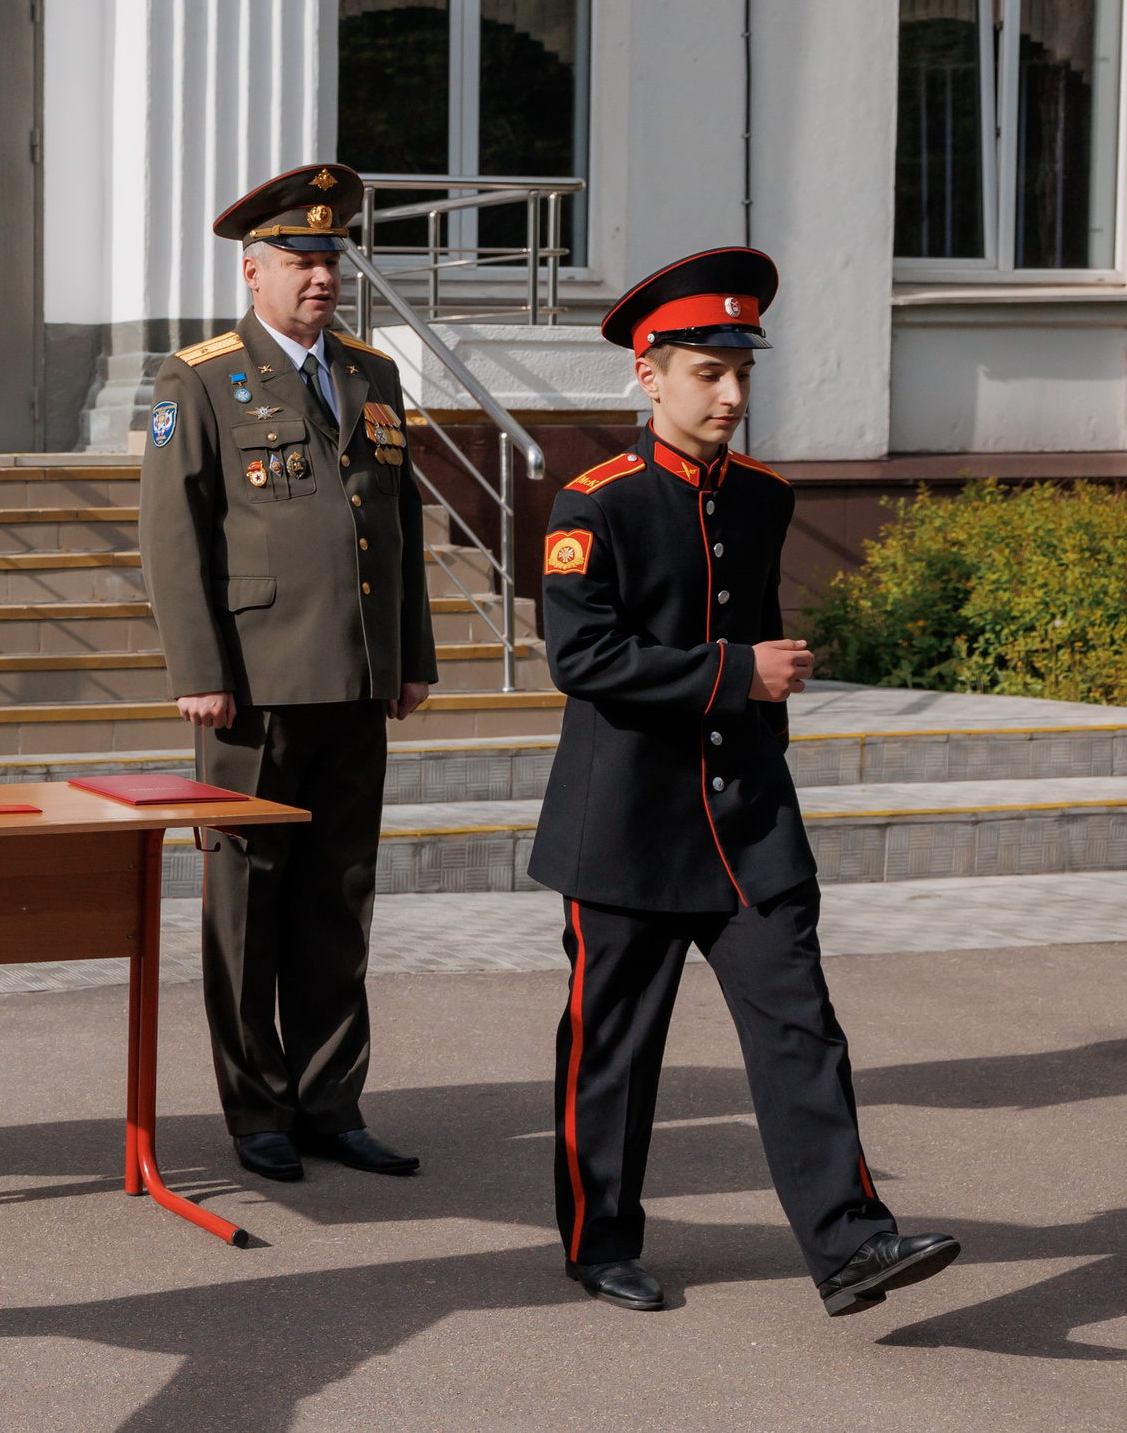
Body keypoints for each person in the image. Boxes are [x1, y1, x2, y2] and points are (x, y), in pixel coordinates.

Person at [534, 247, 959, 1317]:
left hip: (746, 823)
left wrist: (759, 683)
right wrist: (739, 672)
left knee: (799, 1027)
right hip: (625, 822)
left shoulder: (764, 495)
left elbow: (748, 621)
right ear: (649, 375)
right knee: (614, 1050)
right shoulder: (594, 505)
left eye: (741, 373)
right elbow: (583, 661)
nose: (731, 396)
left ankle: (852, 1245)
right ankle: (600, 1240)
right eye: (706, 374)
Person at [138, 163, 436, 1186]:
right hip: (251, 688)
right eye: (300, 260)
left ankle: (329, 1100)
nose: (320, 276)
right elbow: (172, 532)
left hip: (354, 681)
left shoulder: (369, 374)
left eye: (330, 258)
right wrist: (198, 669)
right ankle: (256, 1108)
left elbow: (396, 527)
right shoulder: (201, 377)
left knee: (337, 897)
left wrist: (410, 659)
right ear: (252, 269)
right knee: (246, 905)